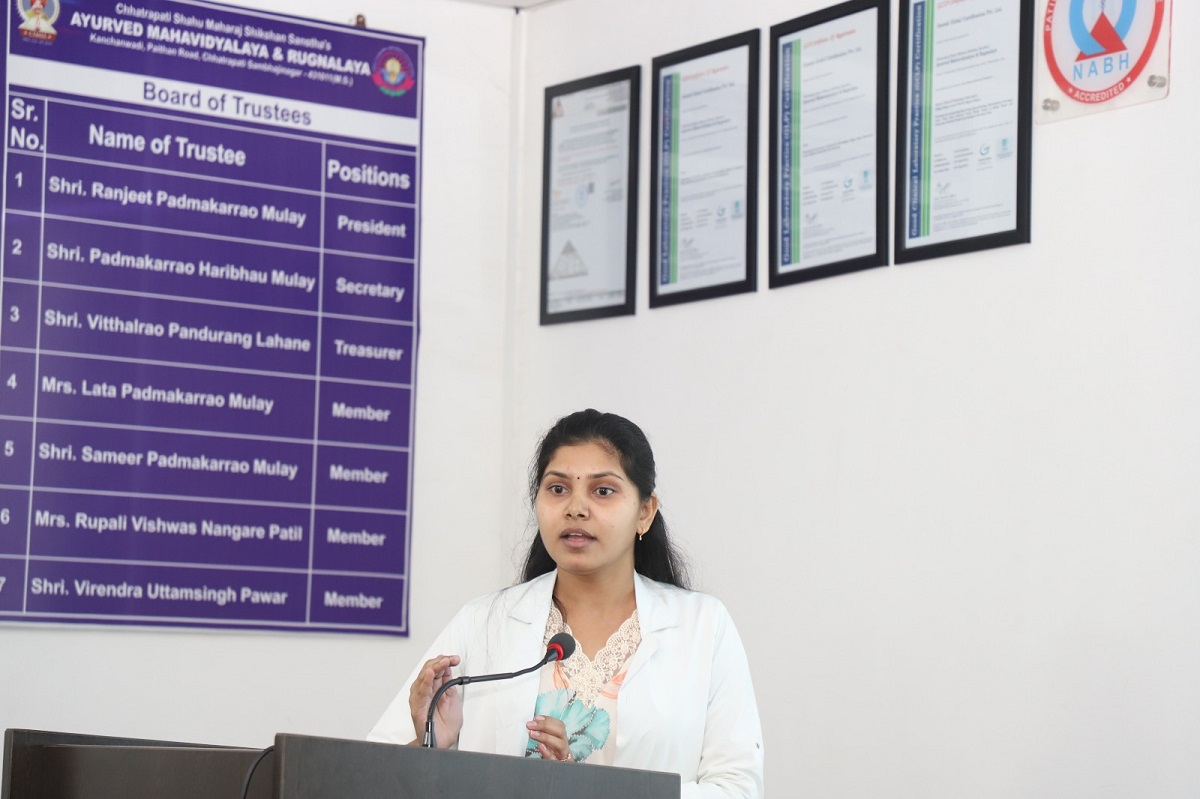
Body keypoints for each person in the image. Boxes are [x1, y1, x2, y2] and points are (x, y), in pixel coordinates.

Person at [368, 410, 764, 798]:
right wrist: (431, 749)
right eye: (558, 489)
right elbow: (369, 777)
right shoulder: (483, 623)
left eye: (603, 491)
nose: (575, 508)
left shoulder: (703, 626)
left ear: (644, 512)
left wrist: (585, 789)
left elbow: (737, 788)